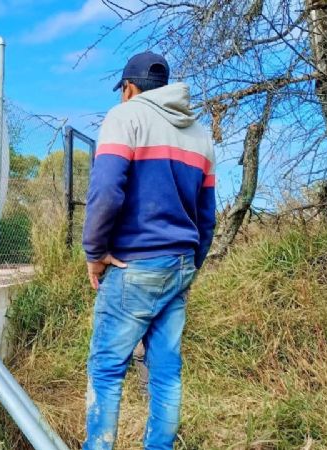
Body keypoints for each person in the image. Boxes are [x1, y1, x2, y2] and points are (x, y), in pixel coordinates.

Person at [81, 51, 216, 450]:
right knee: (166, 373)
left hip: (134, 263)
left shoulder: (126, 117)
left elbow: (106, 190)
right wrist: (190, 264)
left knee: (107, 370)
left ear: (129, 88)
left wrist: (95, 252)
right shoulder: (200, 135)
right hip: (180, 263)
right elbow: (207, 216)